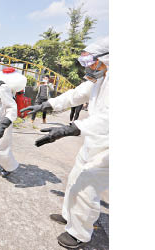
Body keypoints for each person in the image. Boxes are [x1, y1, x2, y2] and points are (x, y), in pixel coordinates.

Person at [20, 37, 109, 248]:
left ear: (107, 59)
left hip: (110, 147)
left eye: (91, 63)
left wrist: (71, 128)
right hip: (94, 141)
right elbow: (74, 95)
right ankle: (70, 217)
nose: (88, 68)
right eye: (85, 63)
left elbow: (109, 119)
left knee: (87, 186)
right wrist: (46, 105)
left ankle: (79, 234)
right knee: (74, 178)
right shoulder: (100, 79)